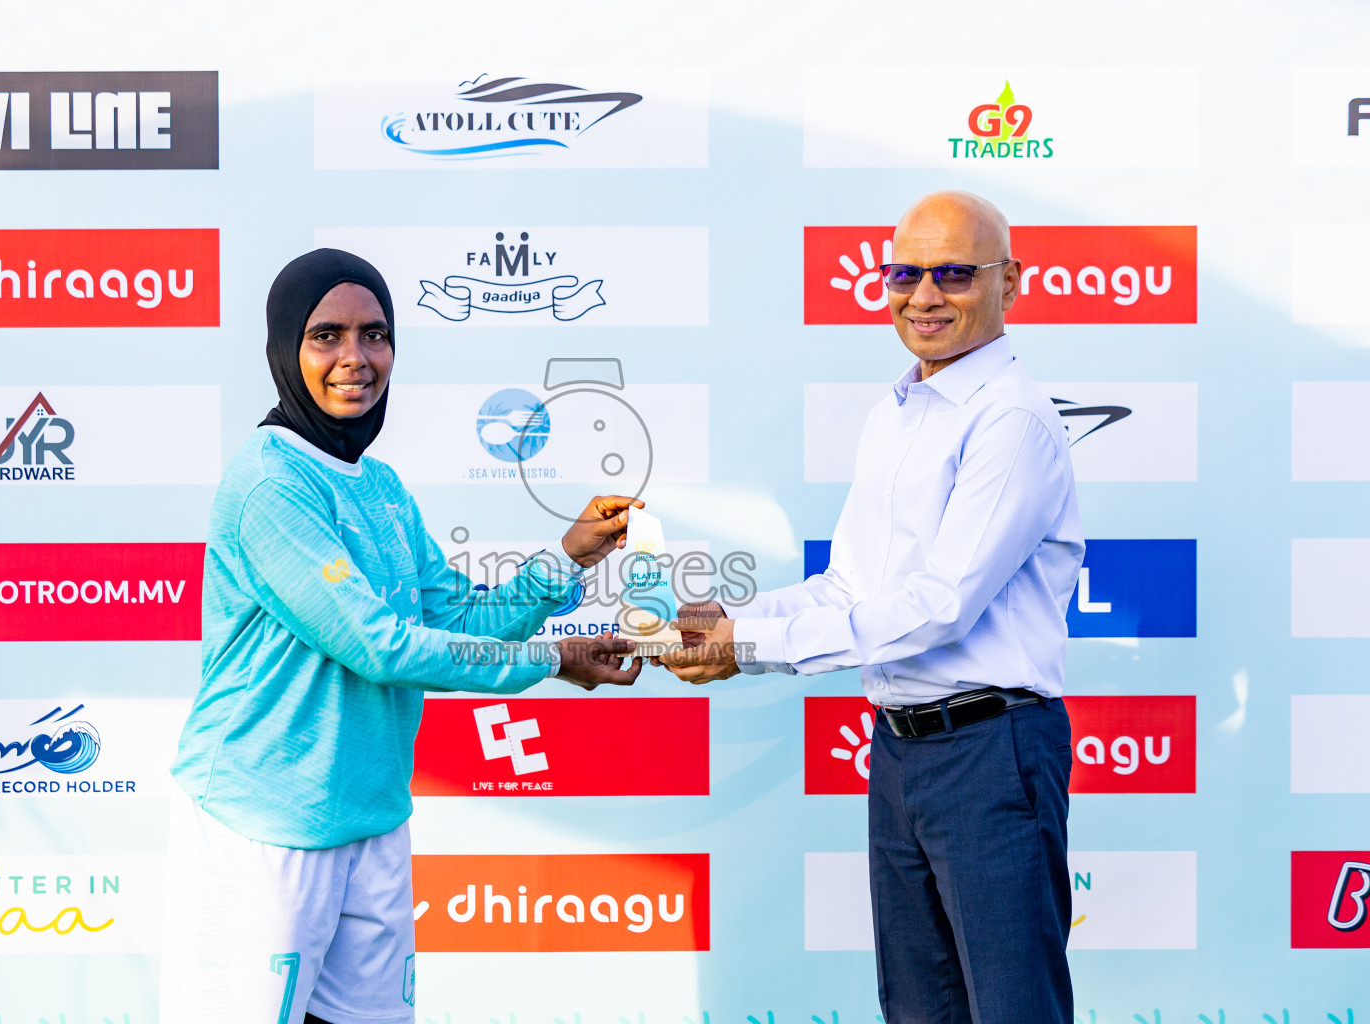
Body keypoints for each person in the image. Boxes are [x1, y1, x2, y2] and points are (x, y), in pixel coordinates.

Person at [160, 249, 643, 1024]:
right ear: (286, 349)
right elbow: (382, 646)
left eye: (374, 334)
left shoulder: (380, 487)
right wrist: (552, 659)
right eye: (327, 336)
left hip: (374, 821)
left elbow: (454, 622)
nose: (355, 358)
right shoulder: (268, 484)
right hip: (262, 827)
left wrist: (566, 559)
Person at [659, 192, 1084, 1023]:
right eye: (905, 272)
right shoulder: (897, 414)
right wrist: (731, 622)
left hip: (991, 753)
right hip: (900, 752)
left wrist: (746, 644)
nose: (925, 295)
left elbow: (938, 608)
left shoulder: (1012, 422)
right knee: (918, 1011)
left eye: (955, 273)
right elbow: (852, 587)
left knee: (1012, 1010)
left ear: (1011, 283)